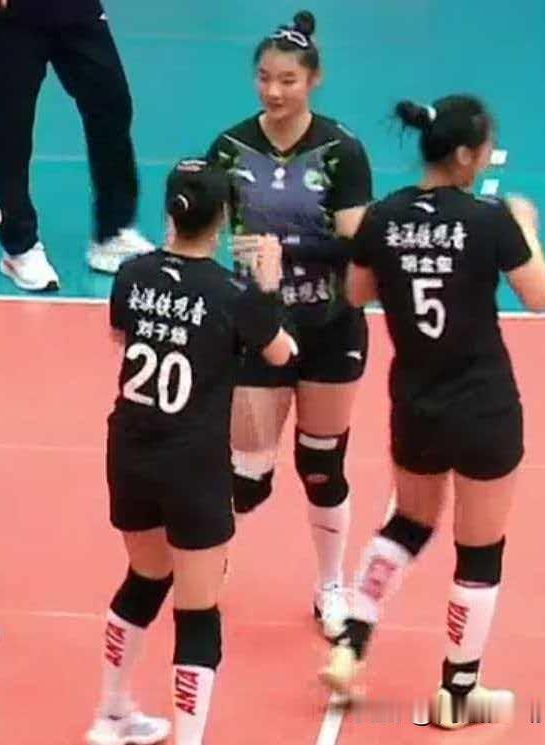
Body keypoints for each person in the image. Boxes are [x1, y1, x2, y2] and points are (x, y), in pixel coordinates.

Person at [319, 96, 545, 729]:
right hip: (483, 405)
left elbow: (356, 293)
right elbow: (539, 295)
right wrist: (526, 225)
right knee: (479, 550)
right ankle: (458, 694)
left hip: (417, 401)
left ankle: (351, 642)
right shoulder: (490, 218)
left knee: (409, 523)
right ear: (465, 155)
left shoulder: (383, 217)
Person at [85, 159, 297, 745]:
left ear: (169, 212)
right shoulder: (232, 294)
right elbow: (282, 354)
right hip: (193, 464)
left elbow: (121, 336)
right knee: (199, 612)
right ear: (223, 220)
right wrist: (269, 283)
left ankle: (111, 712)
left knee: (146, 576)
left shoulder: (131, 274)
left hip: (130, 451)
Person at [206, 10, 373, 638]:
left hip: (330, 324)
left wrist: (286, 250)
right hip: (258, 325)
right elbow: (202, 231)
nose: (273, 92)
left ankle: (331, 586)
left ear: (313, 80)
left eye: (287, 81)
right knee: (246, 476)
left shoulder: (341, 151)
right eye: (264, 78)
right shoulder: (229, 148)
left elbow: (356, 244)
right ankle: (208, 564)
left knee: (321, 466)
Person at [0, 0, 155, 291]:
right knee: (10, 125)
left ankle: (112, 231)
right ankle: (19, 246)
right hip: (9, 13)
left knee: (111, 102)